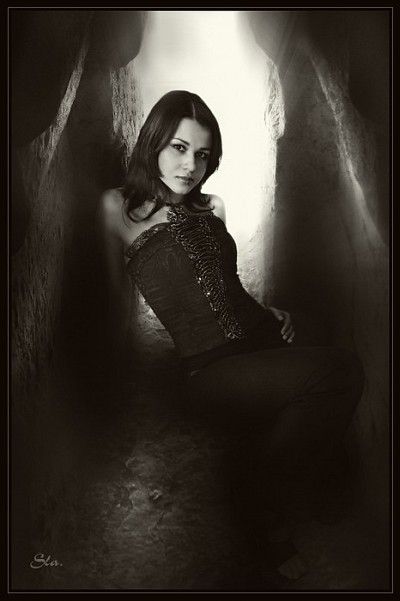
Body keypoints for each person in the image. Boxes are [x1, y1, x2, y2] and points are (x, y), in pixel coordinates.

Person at [97, 90, 364, 581]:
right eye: (179, 148)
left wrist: (268, 311)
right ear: (153, 141)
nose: (190, 166)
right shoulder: (117, 208)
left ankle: (311, 473)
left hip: (259, 335)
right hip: (210, 368)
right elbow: (105, 297)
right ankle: (255, 497)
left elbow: (225, 281)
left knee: (323, 350)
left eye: (202, 155)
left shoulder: (213, 206)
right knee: (340, 371)